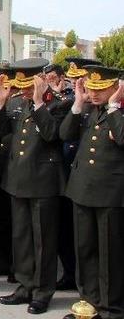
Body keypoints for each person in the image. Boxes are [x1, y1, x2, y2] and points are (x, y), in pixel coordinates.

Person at [0, 59, 69, 315]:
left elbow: (51, 135)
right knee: (21, 238)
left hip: (44, 181)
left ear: (42, 81)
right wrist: (0, 103)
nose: (24, 91)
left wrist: (38, 103)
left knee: (43, 241)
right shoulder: (15, 102)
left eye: (29, 86)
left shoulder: (58, 103)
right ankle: (24, 285)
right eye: (21, 86)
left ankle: (42, 292)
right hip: (17, 179)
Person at [59, 66, 124, 319]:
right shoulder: (88, 108)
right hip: (82, 189)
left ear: (115, 88)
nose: (94, 95)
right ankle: (88, 304)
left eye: (101, 89)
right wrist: (77, 103)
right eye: (91, 89)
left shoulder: (116, 111)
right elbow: (65, 134)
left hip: (110, 192)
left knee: (109, 254)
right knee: (84, 249)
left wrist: (114, 106)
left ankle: (111, 309)